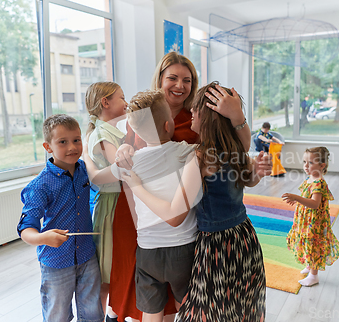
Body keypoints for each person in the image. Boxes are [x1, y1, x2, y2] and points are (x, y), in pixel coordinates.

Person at [107, 52, 251, 322]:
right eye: (172, 78)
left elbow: (236, 148)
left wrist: (238, 116)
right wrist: (124, 148)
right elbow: (124, 153)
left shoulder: (197, 118)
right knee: (141, 286)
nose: (180, 85)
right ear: (160, 79)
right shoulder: (139, 114)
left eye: (187, 79)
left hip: (182, 226)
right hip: (141, 219)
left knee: (182, 296)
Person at [88, 90, 199, 322]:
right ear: (169, 125)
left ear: (135, 132)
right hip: (183, 249)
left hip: (147, 251)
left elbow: (97, 178)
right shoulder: (186, 151)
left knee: (151, 310)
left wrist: (88, 158)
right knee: (186, 305)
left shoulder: (130, 162)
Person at [17, 114, 104, 322]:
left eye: (76, 140)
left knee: (93, 311)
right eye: (62, 142)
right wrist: (43, 238)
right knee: (58, 315)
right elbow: (25, 230)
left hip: (87, 255)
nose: (72, 147)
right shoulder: (40, 185)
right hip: (56, 261)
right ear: (48, 147)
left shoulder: (85, 170)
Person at [85, 82, 128, 321]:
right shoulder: (103, 133)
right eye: (122, 97)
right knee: (108, 271)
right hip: (113, 204)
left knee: (113, 269)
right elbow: (120, 167)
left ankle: (112, 313)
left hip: (116, 200)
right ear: (105, 102)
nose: (126, 102)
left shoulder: (108, 130)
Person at [282, 146, 339, 287]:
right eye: (304, 162)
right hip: (307, 219)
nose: (306, 166)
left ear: (322, 165)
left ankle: (314, 276)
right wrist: (297, 200)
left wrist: (296, 197)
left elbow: (314, 203)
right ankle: (310, 266)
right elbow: (306, 197)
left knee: (313, 244)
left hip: (315, 222)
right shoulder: (310, 179)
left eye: (310, 163)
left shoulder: (319, 183)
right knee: (308, 243)